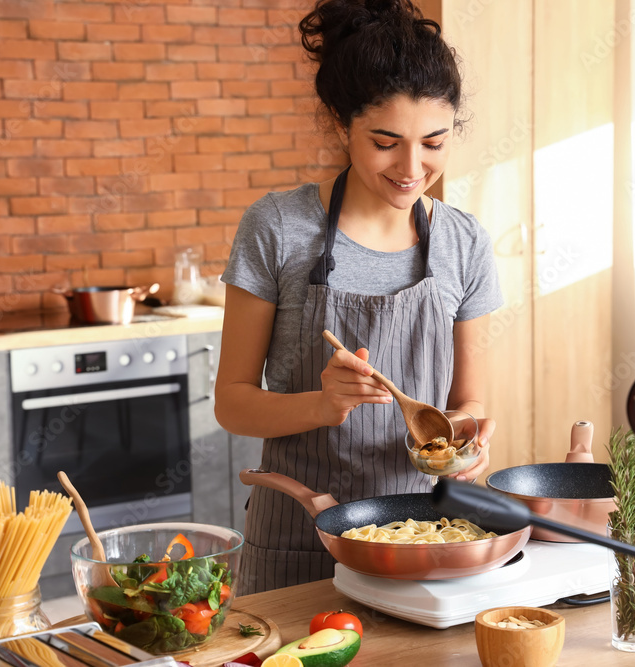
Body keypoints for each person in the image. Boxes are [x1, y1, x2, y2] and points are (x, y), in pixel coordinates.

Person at [214, 0, 503, 594]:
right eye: (386, 141)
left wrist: (468, 445)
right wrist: (321, 406)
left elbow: (465, 402)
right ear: (341, 125)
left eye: (434, 143)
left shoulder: (463, 241)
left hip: (426, 532)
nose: (412, 166)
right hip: (298, 535)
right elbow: (232, 403)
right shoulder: (277, 226)